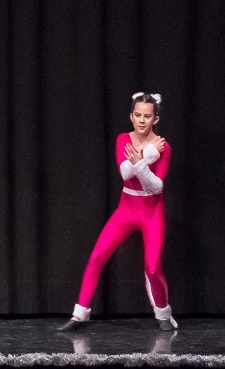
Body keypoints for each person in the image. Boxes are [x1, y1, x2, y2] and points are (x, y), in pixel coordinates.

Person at [58, 92, 177, 332]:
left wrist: (141, 160)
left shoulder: (164, 147)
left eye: (147, 116)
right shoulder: (123, 139)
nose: (141, 120)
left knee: (153, 267)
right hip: (127, 209)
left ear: (155, 119)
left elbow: (156, 187)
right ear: (131, 116)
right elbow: (125, 173)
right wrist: (146, 155)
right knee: (97, 256)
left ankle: (163, 313)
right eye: (137, 115)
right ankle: (79, 314)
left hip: (152, 212)